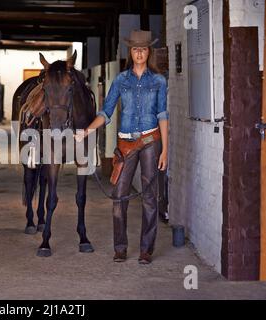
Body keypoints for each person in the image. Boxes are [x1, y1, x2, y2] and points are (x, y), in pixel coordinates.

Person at [76, 30, 169, 264]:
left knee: (149, 196)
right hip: (125, 144)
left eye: (144, 48)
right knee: (119, 196)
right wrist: (87, 130)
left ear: (148, 52)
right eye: (135, 48)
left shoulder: (158, 81)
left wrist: (165, 150)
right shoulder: (121, 80)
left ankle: (146, 250)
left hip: (150, 141)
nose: (139, 52)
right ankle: (120, 247)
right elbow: (106, 112)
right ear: (130, 51)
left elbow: (162, 115)